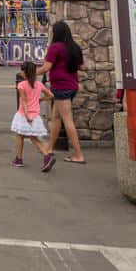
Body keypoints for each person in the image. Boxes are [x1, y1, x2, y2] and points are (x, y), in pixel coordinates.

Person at [39, 21, 87, 170]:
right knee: (56, 118)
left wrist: (30, 73)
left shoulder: (55, 48)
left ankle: (78, 155)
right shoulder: (74, 47)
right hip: (72, 86)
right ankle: (50, 148)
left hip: (61, 87)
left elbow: (47, 67)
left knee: (67, 119)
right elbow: (81, 66)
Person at [10, 61, 53, 167]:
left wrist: (26, 115)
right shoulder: (39, 84)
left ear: (25, 72)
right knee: (34, 137)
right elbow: (51, 95)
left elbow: (23, 101)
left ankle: (18, 159)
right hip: (36, 115)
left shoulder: (22, 85)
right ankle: (46, 155)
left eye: (22, 70)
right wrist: (41, 99)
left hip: (24, 115)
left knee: (19, 135)